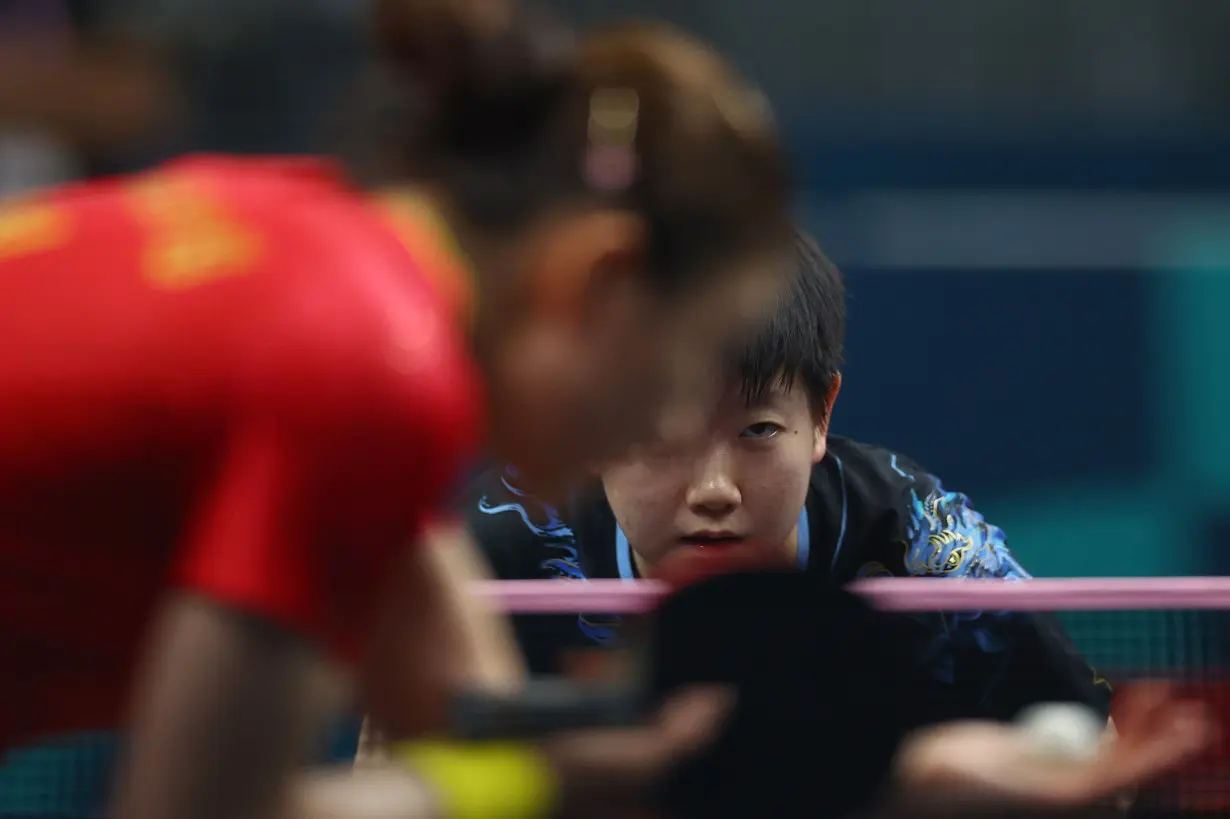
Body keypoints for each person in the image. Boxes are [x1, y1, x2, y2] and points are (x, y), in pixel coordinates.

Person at [0, 1, 795, 818]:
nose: (675, 419)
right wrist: (542, 783)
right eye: (695, 352)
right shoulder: (370, 376)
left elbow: (445, 675)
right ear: (601, 282)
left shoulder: (319, 233)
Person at [468, 230, 1112, 728]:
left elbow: (1090, 740)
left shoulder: (913, 537)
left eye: (758, 432)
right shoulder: (507, 548)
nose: (715, 489)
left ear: (822, 415)